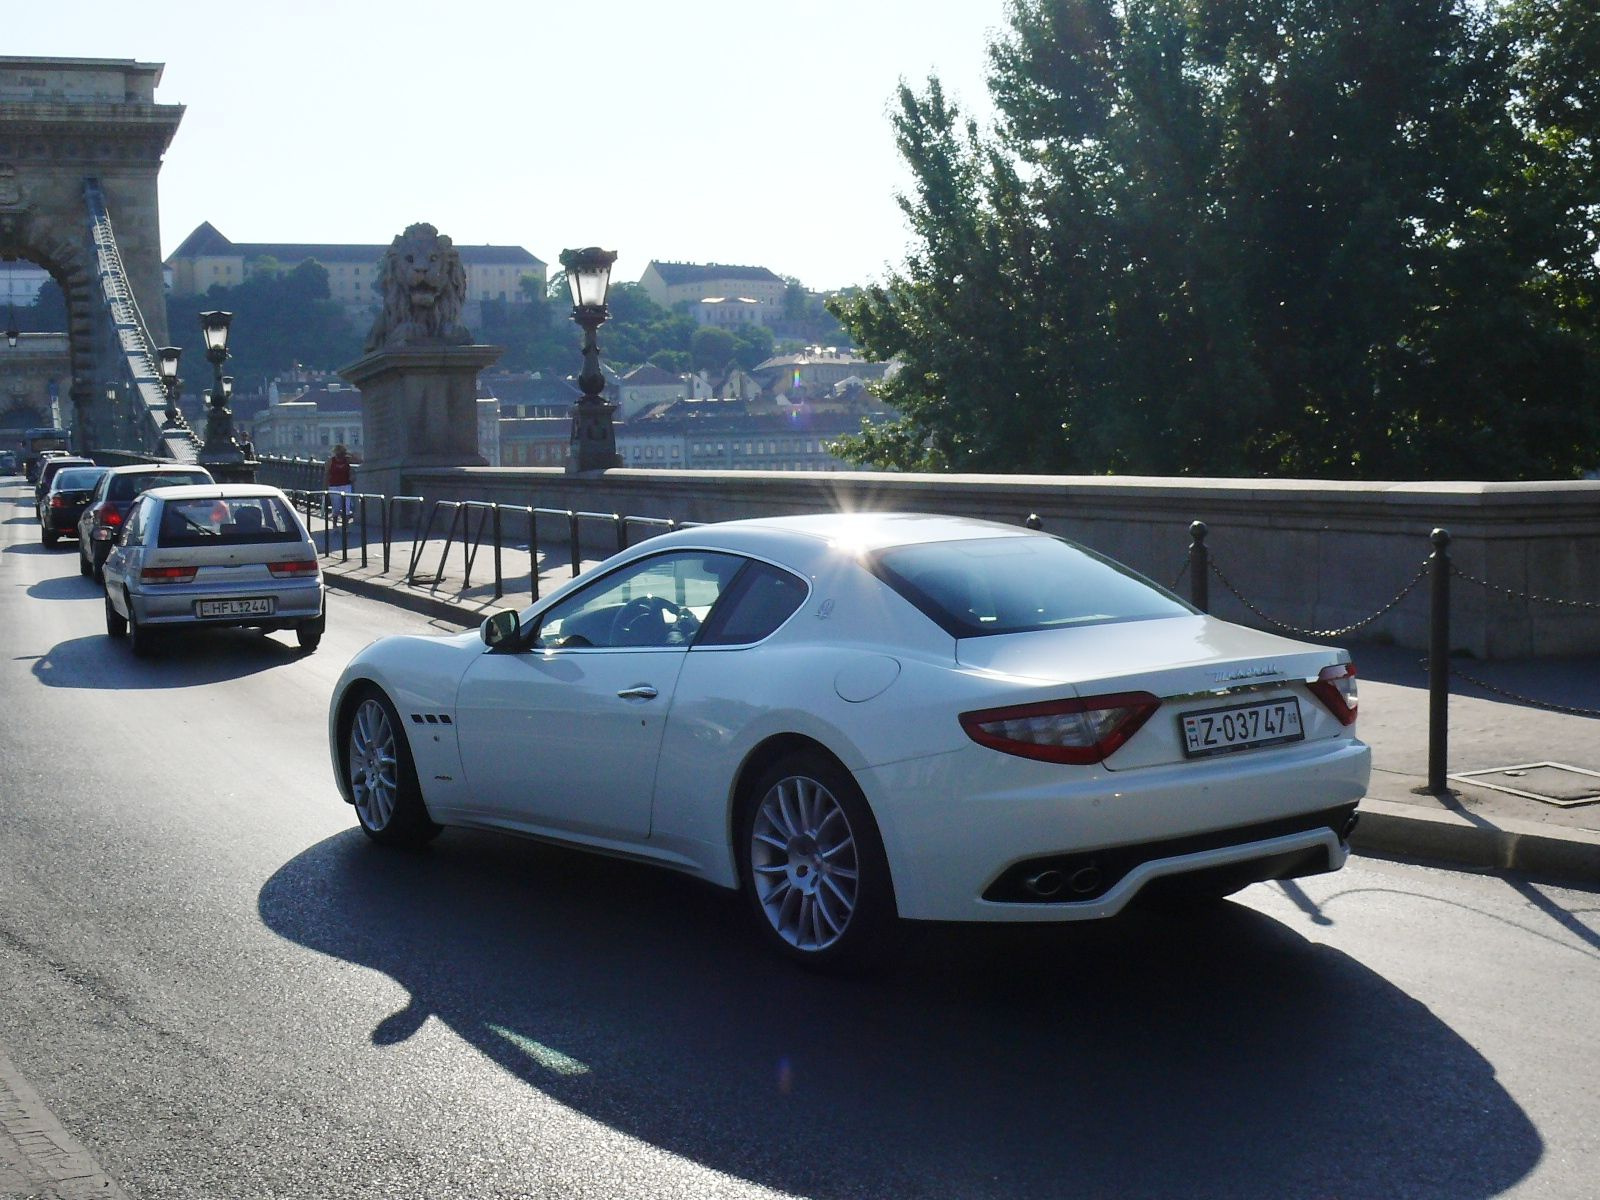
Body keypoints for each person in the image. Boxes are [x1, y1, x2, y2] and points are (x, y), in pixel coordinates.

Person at [324, 444, 353, 521]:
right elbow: (326, 474)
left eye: (342, 452)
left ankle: (346, 526)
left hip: (346, 485)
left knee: (347, 507)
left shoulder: (347, 460)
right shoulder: (330, 461)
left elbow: (360, 460)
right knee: (336, 507)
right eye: (338, 452)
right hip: (334, 486)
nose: (340, 454)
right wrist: (325, 487)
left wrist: (350, 454)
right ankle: (335, 523)